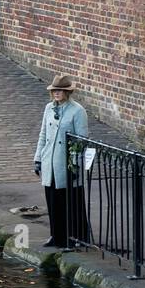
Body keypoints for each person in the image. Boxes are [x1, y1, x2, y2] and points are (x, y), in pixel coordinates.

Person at [33, 74, 89, 248]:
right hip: (50, 160)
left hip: (67, 163)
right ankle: (55, 235)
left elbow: (82, 140)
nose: (57, 93)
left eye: (60, 90)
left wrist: (76, 165)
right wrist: (38, 158)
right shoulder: (49, 108)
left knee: (71, 202)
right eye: (55, 90)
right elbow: (43, 134)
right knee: (53, 201)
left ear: (67, 92)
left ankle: (77, 236)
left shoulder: (78, 111)